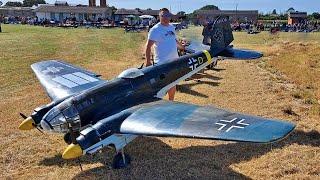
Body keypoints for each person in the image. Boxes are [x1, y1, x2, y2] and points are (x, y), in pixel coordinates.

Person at [145, 8, 184, 101]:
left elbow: (173, 39)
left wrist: (180, 46)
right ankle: (156, 104)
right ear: (159, 17)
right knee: (159, 86)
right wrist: (148, 61)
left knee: (173, 83)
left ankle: (171, 102)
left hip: (174, 61)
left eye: (168, 15)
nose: (166, 18)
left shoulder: (171, 27)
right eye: (163, 16)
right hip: (162, 63)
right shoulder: (155, 29)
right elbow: (148, 46)